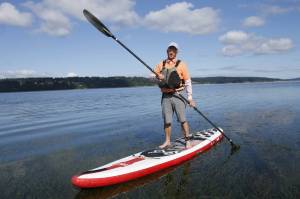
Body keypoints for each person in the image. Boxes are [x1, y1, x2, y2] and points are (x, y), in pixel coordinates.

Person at [154, 42, 196, 149]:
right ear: (167, 51)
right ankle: (167, 141)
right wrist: (157, 76)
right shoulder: (160, 64)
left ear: (176, 52)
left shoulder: (182, 64)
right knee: (167, 121)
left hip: (178, 95)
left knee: (182, 119)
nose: (171, 51)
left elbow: (187, 81)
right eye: (170, 49)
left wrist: (190, 98)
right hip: (165, 97)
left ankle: (187, 140)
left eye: (173, 50)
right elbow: (151, 76)